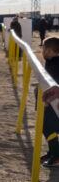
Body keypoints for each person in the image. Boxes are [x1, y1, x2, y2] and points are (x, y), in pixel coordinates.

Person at [40, 37, 59, 168]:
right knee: (46, 126)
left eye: (44, 48)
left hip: (55, 103)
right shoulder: (51, 61)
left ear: (51, 50)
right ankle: (54, 151)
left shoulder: (56, 64)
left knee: (49, 126)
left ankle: (56, 155)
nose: (42, 51)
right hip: (52, 103)